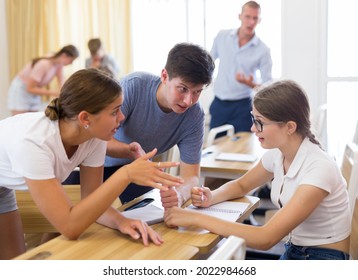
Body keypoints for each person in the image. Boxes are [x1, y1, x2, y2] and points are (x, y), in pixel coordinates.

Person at [0, 68, 184, 260]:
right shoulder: (35, 143)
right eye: (114, 112)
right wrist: (126, 174)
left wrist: (122, 221)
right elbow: (69, 226)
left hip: (3, 188)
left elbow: (91, 199)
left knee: (14, 265)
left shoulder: (94, 137)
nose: (121, 117)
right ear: (85, 118)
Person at [164, 80, 351, 260]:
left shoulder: (319, 167)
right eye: (254, 119)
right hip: (295, 249)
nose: (253, 128)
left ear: (290, 127)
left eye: (260, 122)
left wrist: (195, 218)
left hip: (323, 258)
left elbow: (265, 238)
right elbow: (242, 184)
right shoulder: (279, 154)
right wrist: (212, 196)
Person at [104, 42, 215, 206]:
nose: (188, 101)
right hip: (97, 166)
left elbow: (191, 175)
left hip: (139, 174)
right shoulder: (133, 86)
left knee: (149, 220)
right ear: (164, 76)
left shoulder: (194, 115)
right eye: (182, 89)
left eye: (197, 92)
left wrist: (180, 195)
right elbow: (97, 139)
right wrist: (131, 151)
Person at [209, 1, 272, 133]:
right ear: (240, 16)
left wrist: (251, 84)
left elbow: (268, 86)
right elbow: (208, 63)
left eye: (255, 18)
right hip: (219, 104)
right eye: (247, 17)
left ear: (259, 20)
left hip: (243, 107)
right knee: (215, 147)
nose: (251, 22)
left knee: (242, 148)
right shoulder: (222, 36)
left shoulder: (263, 50)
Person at [7, 45, 79, 116]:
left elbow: (61, 82)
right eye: (71, 60)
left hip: (34, 91)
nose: (71, 63)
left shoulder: (58, 63)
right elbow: (30, 88)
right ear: (64, 55)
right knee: (21, 121)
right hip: (21, 90)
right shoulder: (43, 64)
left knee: (33, 121)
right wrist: (53, 93)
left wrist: (66, 94)